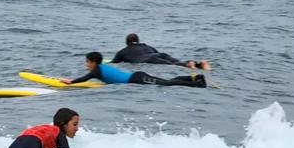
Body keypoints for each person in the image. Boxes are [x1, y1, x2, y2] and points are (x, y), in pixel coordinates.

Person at [62, 52, 207, 87]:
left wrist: (71, 82)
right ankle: (195, 78)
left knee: (167, 84)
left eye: (87, 62)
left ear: (93, 62)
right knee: (167, 82)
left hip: (137, 78)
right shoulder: (100, 67)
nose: (86, 64)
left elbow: (84, 78)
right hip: (136, 77)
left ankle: (197, 84)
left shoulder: (97, 71)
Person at [111, 33, 211, 70]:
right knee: (176, 62)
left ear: (126, 42)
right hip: (159, 54)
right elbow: (156, 53)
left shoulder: (123, 52)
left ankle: (190, 65)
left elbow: (114, 62)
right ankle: (198, 64)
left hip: (150, 59)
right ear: (138, 41)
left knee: (174, 65)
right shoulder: (147, 46)